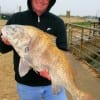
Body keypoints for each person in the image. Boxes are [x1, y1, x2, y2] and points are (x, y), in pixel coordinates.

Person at [0, 0, 68, 100]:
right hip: (26, 86)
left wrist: (52, 74)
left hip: (53, 83)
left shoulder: (58, 23)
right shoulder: (16, 19)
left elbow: (63, 53)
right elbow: (2, 49)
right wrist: (4, 42)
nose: (41, 0)